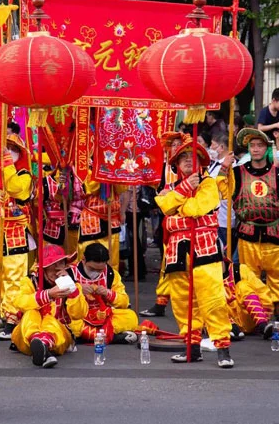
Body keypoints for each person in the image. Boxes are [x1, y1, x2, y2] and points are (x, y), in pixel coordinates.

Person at [156, 135, 234, 368]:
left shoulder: (209, 183)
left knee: (213, 300)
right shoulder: (169, 187)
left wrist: (176, 210)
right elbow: (165, 207)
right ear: (176, 164)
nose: (189, 162)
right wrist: (183, 192)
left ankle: (223, 348)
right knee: (182, 303)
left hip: (205, 249)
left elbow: (196, 208)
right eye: (183, 158)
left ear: (201, 161)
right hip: (177, 254)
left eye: (194, 157)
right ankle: (192, 348)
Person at [220, 128, 279, 332]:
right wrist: (223, 169)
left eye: (260, 145)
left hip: (274, 234)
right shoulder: (237, 173)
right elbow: (221, 190)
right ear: (248, 149)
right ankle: (257, 318)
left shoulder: (278, 175)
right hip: (247, 235)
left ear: (266, 148)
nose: (256, 149)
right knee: (249, 279)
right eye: (252, 146)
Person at [0, 134, 35, 340]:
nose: (8, 151)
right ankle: (1, 315)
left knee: (14, 277)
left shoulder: (24, 175)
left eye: (12, 148)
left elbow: (15, 189)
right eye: (5, 148)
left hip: (16, 234)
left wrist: (6, 162)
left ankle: (12, 319)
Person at [10, 245, 86, 368]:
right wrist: (48, 295)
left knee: (50, 320)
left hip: (59, 335)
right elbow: (19, 302)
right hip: (26, 335)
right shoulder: (29, 281)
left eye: (60, 263)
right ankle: (41, 345)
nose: (57, 269)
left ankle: (42, 346)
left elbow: (79, 314)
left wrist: (73, 292)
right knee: (31, 313)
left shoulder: (72, 285)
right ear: (43, 268)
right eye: (52, 265)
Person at [140, 132, 185, 318]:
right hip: (171, 221)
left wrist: (172, 193)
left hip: (191, 223)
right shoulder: (164, 167)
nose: (175, 148)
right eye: (172, 145)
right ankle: (161, 302)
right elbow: (157, 192)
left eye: (178, 144)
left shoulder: (195, 169)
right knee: (168, 262)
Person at [69, 243, 139, 344]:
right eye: (92, 269)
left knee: (131, 317)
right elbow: (59, 299)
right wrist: (78, 289)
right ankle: (111, 336)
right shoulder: (70, 272)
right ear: (83, 259)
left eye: (100, 270)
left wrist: (108, 293)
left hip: (102, 315)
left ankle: (88, 336)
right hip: (79, 316)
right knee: (70, 323)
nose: (96, 272)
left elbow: (124, 302)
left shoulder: (111, 273)